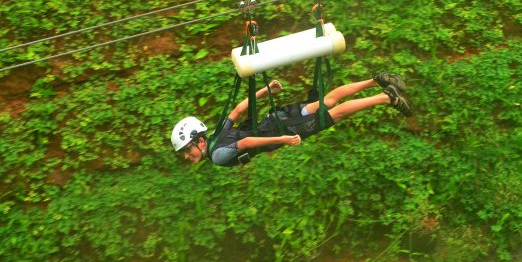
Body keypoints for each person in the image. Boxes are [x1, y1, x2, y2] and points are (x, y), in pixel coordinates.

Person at [171, 73, 411, 166]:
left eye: (186, 149)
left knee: (333, 114)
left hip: (282, 127)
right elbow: (239, 109)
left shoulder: (217, 156)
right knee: (327, 101)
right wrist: (267, 91)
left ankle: (385, 97)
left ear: (198, 141)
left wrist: (283, 139)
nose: (186, 155)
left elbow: (245, 144)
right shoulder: (216, 136)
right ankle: (375, 80)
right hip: (277, 117)